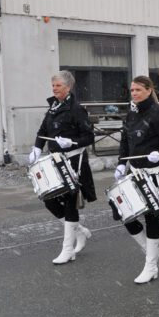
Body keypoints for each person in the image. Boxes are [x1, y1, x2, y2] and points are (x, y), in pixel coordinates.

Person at [114, 76, 159, 284]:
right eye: (132, 90)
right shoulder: (131, 113)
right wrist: (121, 163)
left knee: (151, 219)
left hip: (154, 173)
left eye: (138, 90)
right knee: (125, 213)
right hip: (134, 173)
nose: (134, 93)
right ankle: (152, 250)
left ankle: (151, 266)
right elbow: (125, 140)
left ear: (149, 90)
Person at [29, 70, 96, 264]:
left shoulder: (76, 108)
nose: (54, 88)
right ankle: (80, 231)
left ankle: (68, 250)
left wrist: (72, 142)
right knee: (49, 200)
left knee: (69, 202)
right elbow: (43, 131)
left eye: (58, 85)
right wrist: (36, 148)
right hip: (54, 161)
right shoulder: (53, 107)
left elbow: (89, 136)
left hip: (74, 162)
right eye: (53, 85)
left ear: (68, 87)